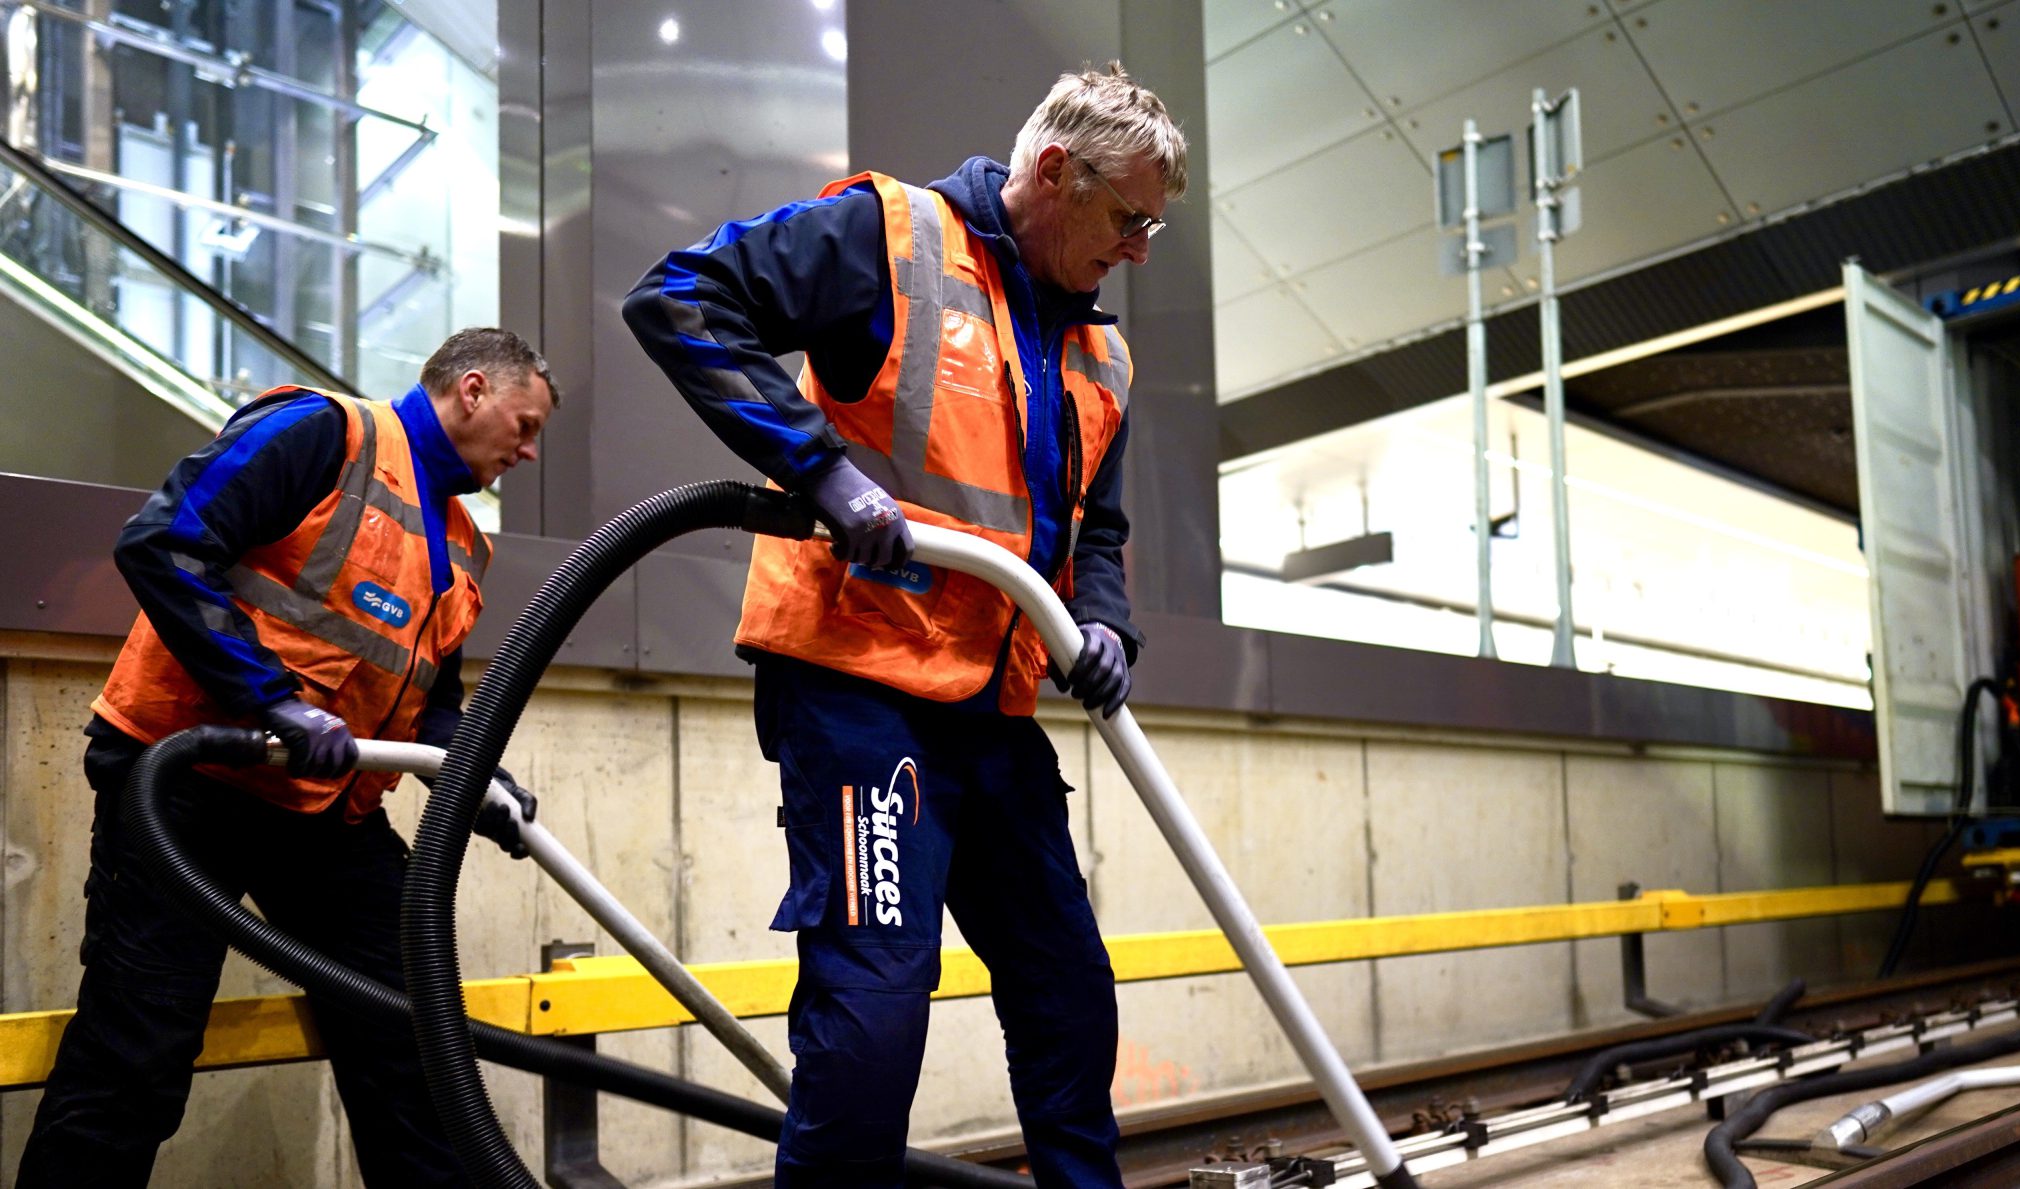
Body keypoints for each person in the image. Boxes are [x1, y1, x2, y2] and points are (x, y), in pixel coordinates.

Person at [623, 62, 1184, 1188]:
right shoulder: (890, 237)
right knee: (876, 1011)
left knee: (1069, 1000)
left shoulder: (1102, 353)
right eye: (1128, 218)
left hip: (993, 705)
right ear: (1054, 171)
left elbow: (1098, 530)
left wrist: (1105, 624)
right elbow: (677, 299)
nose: (1138, 249)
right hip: (858, 686)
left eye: (1153, 229)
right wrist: (822, 476)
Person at [18, 329, 557, 1188]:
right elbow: (163, 541)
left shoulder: (462, 546)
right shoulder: (322, 435)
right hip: (186, 783)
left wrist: (475, 772)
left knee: (415, 1040)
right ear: (474, 390)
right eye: (524, 425)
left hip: (325, 813)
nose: (527, 451)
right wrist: (268, 696)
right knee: (138, 1049)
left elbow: (432, 699)